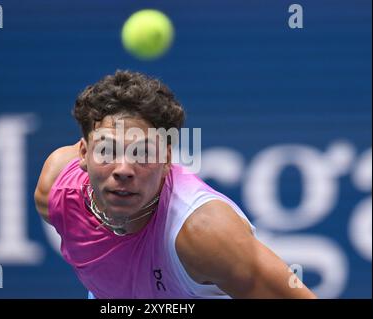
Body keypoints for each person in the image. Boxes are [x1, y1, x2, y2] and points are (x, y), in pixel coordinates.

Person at [34, 70, 316, 299]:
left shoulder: (204, 234)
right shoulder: (56, 191)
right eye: (108, 150)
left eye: (142, 153)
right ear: (83, 153)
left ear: (167, 158)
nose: (123, 169)